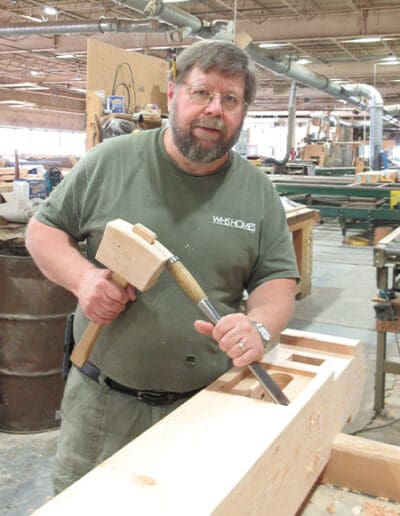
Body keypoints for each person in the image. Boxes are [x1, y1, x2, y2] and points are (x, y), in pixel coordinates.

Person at [25, 39, 299, 493]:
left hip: (206, 405)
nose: (214, 109)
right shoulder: (109, 162)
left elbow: (277, 279)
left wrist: (260, 328)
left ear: (243, 111)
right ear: (172, 94)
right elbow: (43, 231)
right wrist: (85, 279)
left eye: (230, 99)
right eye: (202, 93)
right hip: (103, 405)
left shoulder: (258, 192)